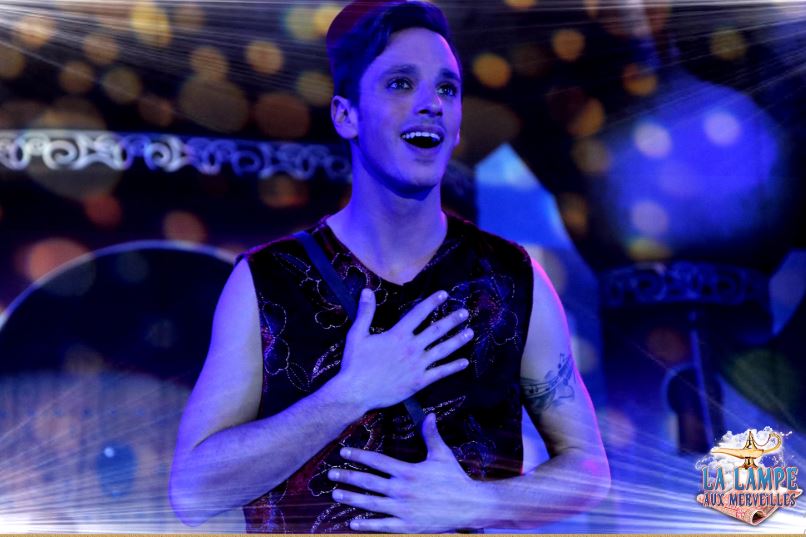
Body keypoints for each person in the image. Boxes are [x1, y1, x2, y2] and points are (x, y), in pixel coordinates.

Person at [169, 1, 610, 532]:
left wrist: (481, 504)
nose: (431, 103)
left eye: (447, 89)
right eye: (401, 84)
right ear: (346, 115)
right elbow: (192, 493)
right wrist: (350, 393)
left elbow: (589, 469)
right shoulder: (266, 280)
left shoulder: (512, 277)